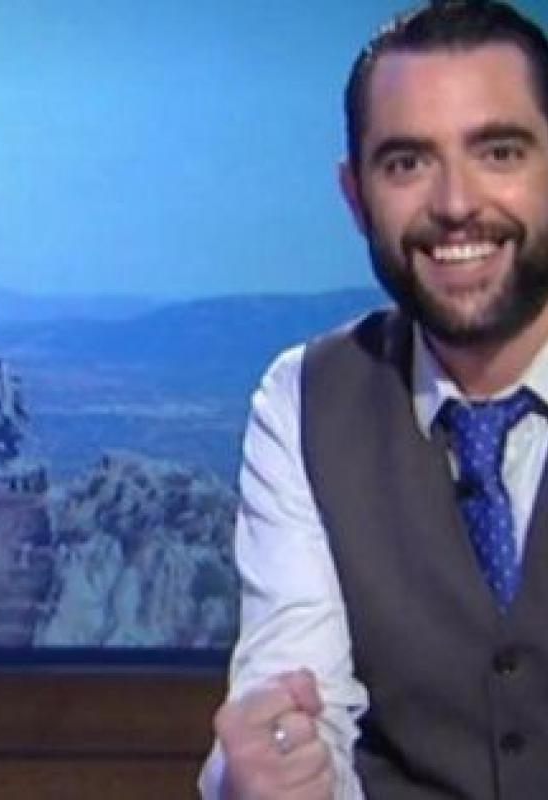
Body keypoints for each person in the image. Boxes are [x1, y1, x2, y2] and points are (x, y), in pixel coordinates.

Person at [202, 1, 548, 797]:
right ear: (356, 197)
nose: (456, 203)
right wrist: (267, 768)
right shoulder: (303, 401)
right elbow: (291, 702)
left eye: (498, 152)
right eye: (407, 163)